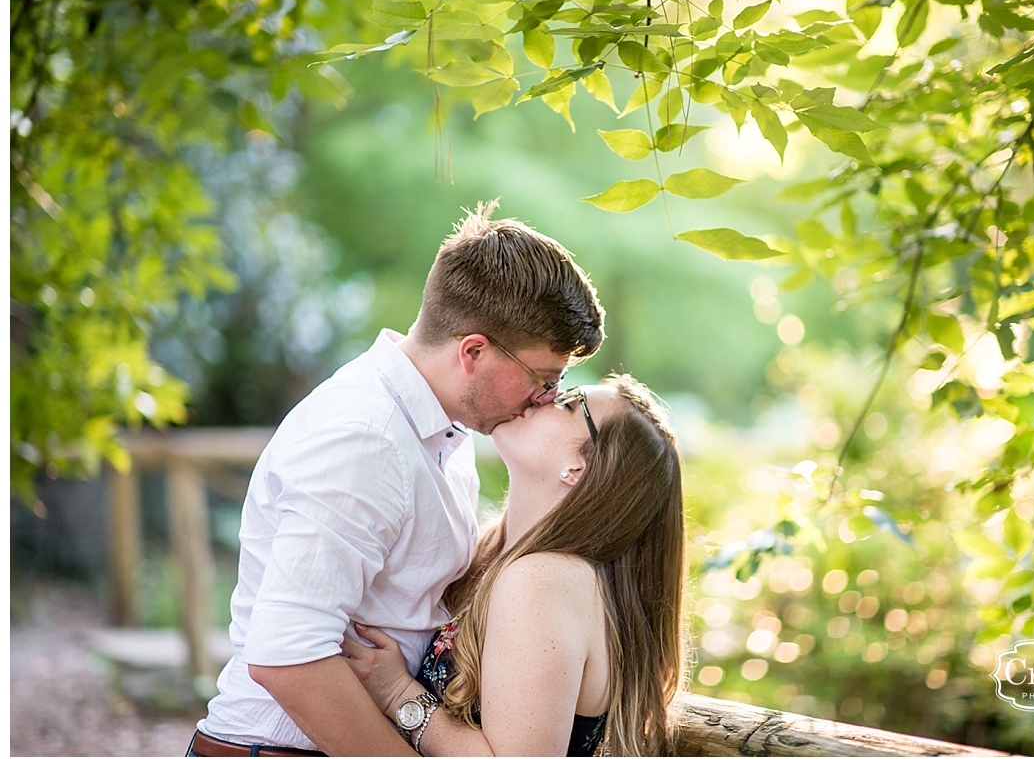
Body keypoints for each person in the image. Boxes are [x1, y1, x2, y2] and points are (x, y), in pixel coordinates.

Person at [187, 200, 605, 757]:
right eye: (544, 376)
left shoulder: (444, 431)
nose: (547, 398)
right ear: (474, 352)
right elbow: (287, 656)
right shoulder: (365, 436)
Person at [340, 374, 688, 757]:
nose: (544, 395)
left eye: (570, 402)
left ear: (577, 469)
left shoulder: (542, 580)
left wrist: (398, 693)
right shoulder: (516, 561)